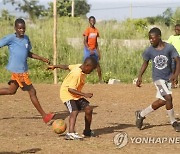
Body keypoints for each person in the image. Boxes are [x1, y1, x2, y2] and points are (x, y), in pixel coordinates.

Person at [0, 18, 54, 124]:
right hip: (18, 71)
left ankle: (44, 116)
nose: (22, 30)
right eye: (19, 28)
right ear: (15, 28)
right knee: (32, 91)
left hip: (23, 70)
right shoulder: (11, 38)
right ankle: (45, 116)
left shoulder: (26, 39)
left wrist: (41, 58)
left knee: (11, 91)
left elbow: (28, 53)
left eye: (23, 28)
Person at [136, 27, 180, 132]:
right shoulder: (149, 50)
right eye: (149, 38)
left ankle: (141, 114)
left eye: (152, 38)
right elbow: (145, 63)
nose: (151, 40)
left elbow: (178, 61)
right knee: (168, 98)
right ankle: (173, 122)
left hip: (168, 78)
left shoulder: (169, 48)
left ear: (159, 37)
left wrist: (175, 75)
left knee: (162, 101)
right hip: (158, 78)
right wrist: (140, 76)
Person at [48, 57, 97, 140]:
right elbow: (70, 89)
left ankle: (87, 131)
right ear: (87, 66)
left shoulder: (79, 66)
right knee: (74, 111)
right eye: (91, 70)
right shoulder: (77, 74)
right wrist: (84, 94)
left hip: (75, 94)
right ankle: (70, 133)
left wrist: (55, 66)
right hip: (67, 94)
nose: (91, 72)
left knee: (88, 109)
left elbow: (67, 66)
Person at [83, 16, 102, 82]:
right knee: (85, 65)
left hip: (94, 50)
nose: (92, 22)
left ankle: (100, 80)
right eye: (91, 21)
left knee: (97, 65)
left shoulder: (96, 30)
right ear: (89, 22)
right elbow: (85, 41)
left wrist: (98, 52)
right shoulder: (87, 30)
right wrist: (89, 49)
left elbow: (96, 42)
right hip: (88, 50)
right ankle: (83, 79)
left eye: (93, 21)